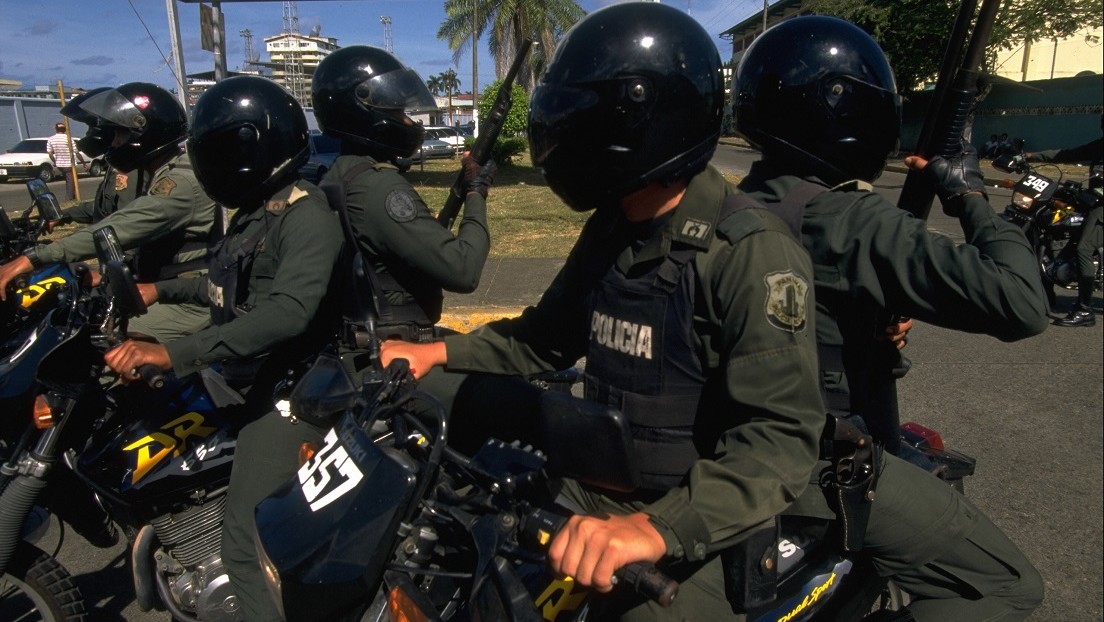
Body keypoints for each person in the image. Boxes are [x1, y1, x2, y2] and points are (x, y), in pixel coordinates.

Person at [384, 7, 1044, 621]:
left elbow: (781, 440)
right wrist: (434, 352)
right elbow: (547, 337)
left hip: (742, 488)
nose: (560, 139)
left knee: (1012, 586)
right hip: (631, 482)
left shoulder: (749, 248)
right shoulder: (619, 220)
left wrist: (655, 529)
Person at [731, 14, 1045, 619]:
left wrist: (866, 328)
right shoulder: (852, 220)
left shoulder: (735, 200)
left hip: (740, 440)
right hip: (819, 461)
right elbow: (1022, 303)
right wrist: (971, 198)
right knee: (1010, 585)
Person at [102, 75, 343, 622]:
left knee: (244, 545)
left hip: (293, 387)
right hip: (251, 371)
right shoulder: (261, 210)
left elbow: (288, 311)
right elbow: (223, 277)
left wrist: (174, 352)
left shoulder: (305, 215)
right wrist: (158, 290)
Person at [311, 44, 517, 434]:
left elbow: (376, 252)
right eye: (396, 113)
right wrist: (476, 194)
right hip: (392, 357)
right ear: (364, 111)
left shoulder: (338, 175)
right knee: (523, 407)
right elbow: (463, 269)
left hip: (360, 349)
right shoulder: (380, 187)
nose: (406, 121)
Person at [0, 82, 215, 343]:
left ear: (144, 133)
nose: (113, 142)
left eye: (120, 134)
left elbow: (119, 228)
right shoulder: (159, 171)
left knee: (100, 351)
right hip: (160, 281)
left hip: (189, 298)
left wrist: (34, 257)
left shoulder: (180, 182)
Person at [1022, 126, 1104, 327]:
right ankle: (1046, 293)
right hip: (1094, 201)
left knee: (1083, 248)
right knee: (1052, 222)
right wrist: (1029, 156)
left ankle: (1085, 309)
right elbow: (1065, 154)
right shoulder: (1100, 146)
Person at [54, 87, 142, 225]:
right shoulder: (115, 164)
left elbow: (124, 222)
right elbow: (105, 209)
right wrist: (65, 214)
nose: (89, 135)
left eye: (92, 129)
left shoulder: (133, 169)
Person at [46, 121, 78, 201]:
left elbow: (50, 153)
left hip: (60, 164)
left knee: (68, 179)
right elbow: (76, 152)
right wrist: (84, 163)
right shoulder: (69, 138)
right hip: (69, 164)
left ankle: (72, 196)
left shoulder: (51, 139)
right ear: (64, 129)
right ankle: (69, 198)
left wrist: (55, 161)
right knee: (71, 181)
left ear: (56, 129)